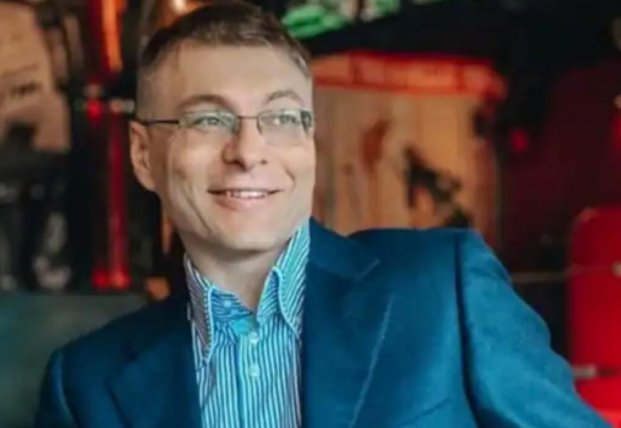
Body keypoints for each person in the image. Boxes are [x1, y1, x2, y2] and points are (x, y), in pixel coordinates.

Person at [34, 2, 610, 427]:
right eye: (209, 119)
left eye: (282, 118)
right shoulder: (86, 385)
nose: (249, 151)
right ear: (143, 155)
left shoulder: (442, 289)